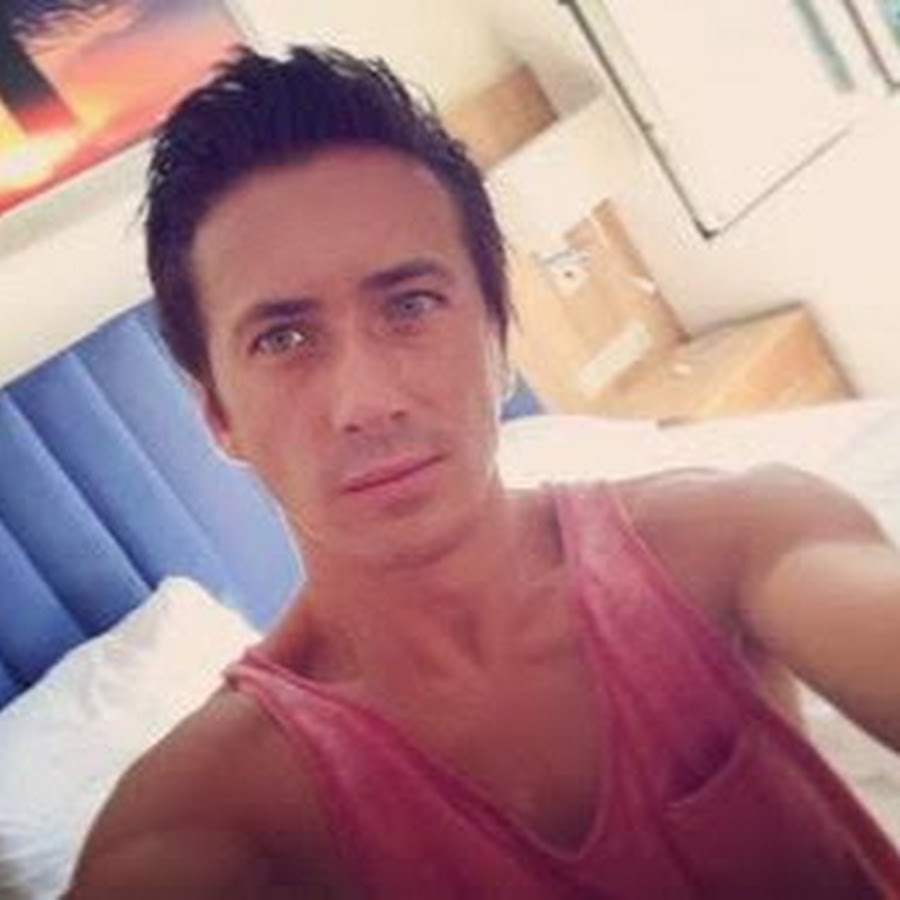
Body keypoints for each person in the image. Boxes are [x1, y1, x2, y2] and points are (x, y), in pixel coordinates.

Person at [68, 45, 900, 898]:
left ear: (500, 342)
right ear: (220, 416)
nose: (367, 401)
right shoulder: (210, 812)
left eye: (410, 305)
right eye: (283, 338)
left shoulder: (737, 538)